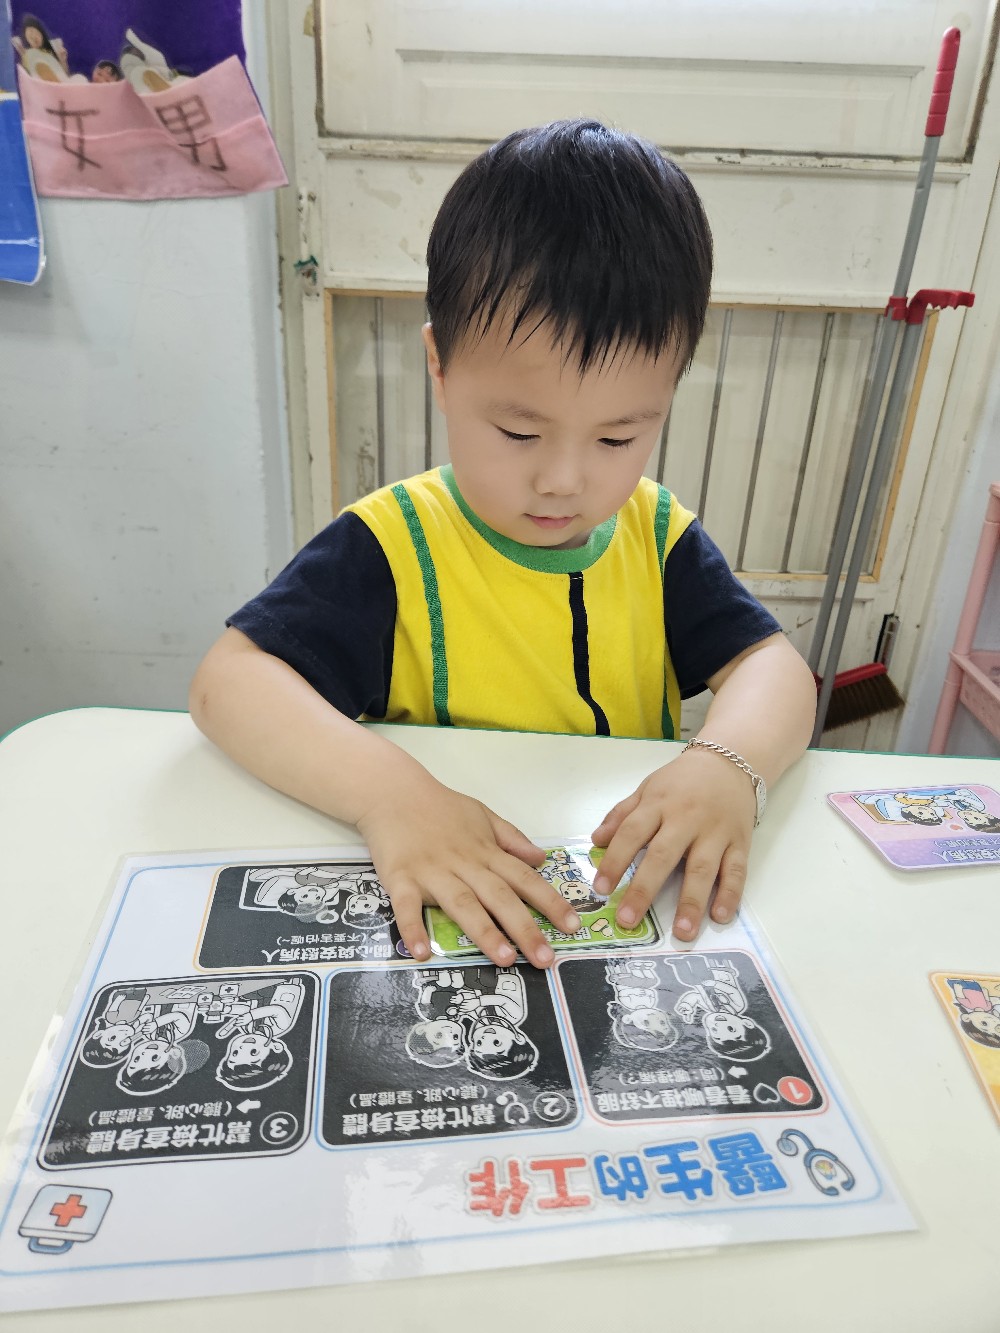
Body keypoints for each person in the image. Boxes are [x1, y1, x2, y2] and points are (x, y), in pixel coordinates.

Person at [190, 118, 816, 970]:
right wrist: (390, 796)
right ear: (440, 367)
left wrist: (727, 764)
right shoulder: (394, 544)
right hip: (448, 921)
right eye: (520, 433)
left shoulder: (658, 535)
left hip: (611, 922)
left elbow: (774, 668)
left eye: (618, 437)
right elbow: (229, 683)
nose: (564, 479)